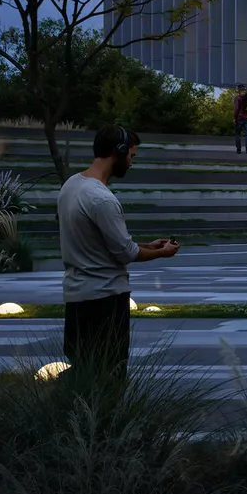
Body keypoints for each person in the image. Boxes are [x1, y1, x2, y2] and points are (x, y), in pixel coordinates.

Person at [57, 125, 179, 380]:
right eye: (131, 156)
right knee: (108, 377)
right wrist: (162, 253)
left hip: (76, 298)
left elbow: (102, 244)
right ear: (119, 151)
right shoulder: (102, 199)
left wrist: (147, 245)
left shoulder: (72, 186)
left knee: (83, 373)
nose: (131, 163)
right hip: (105, 301)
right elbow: (126, 253)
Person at [233, 86, 247, 155]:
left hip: (240, 118)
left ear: (238, 90)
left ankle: (238, 150)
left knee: (237, 134)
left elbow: (236, 109)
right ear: (244, 90)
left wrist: (234, 118)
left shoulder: (238, 98)